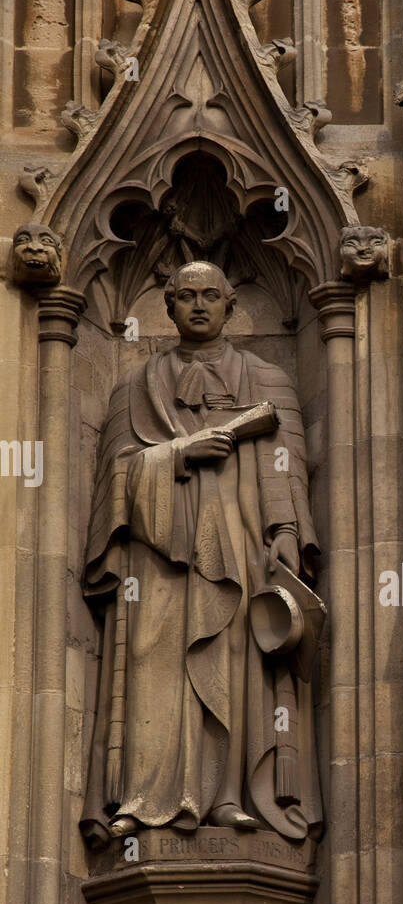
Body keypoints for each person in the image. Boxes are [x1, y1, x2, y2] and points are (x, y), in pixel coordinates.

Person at [80, 260, 322, 846]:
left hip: (236, 541)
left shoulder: (266, 379)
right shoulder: (134, 386)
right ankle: (142, 800)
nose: (198, 305)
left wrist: (286, 534)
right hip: (157, 558)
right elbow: (115, 475)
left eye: (210, 296)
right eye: (185, 296)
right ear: (167, 306)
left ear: (229, 304)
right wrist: (179, 453)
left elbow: (287, 463)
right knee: (148, 661)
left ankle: (227, 796)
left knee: (233, 658)